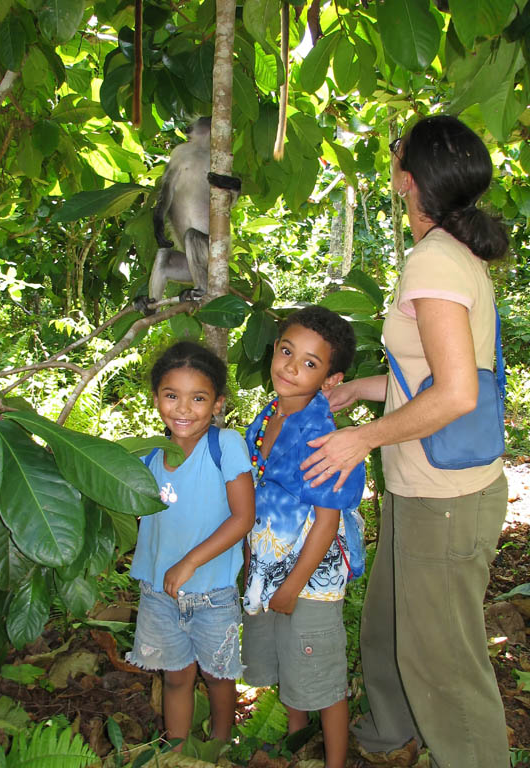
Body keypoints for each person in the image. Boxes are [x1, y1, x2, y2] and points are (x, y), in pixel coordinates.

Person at [301, 115, 510, 768]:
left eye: (396, 152)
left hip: (442, 497)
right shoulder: (449, 252)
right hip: (425, 488)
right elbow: (430, 370)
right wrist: (355, 391)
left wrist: (359, 438)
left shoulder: (436, 260)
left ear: (408, 181)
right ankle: (390, 739)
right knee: (390, 629)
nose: (390, 160)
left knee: (443, 660)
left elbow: (455, 395)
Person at [242, 306, 366, 768]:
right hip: (269, 566)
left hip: (310, 579)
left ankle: (334, 761)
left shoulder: (321, 436)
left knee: (322, 677)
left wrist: (293, 586)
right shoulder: (271, 412)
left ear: (330, 380)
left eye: (310, 363)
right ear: (275, 349)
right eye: (287, 351)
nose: (292, 367)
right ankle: (295, 743)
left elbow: (328, 521)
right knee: (287, 665)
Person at [126, 341, 255, 745]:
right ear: (156, 399)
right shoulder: (148, 454)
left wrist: (190, 562)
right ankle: (175, 749)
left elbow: (243, 517)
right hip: (158, 593)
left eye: (198, 398)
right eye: (172, 396)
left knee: (218, 678)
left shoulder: (225, 445)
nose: (183, 409)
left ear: (217, 403)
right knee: (176, 677)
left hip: (211, 594)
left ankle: (220, 745)